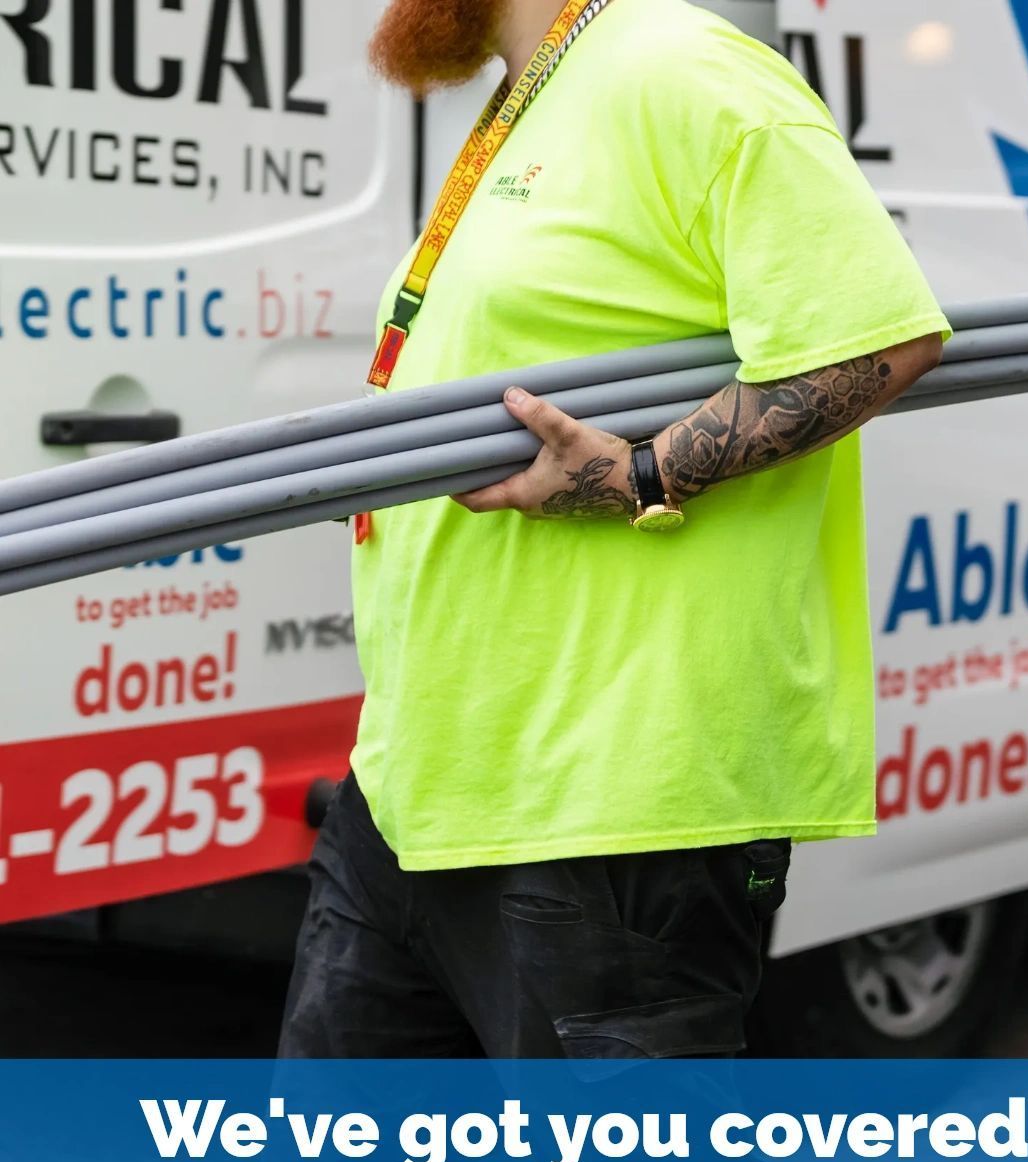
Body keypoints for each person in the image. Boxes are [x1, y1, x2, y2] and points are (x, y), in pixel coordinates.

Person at [278, 0, 949, 1059]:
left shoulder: (684, 68)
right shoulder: (536, 94)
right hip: (421, 790)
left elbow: (878, 339)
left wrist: (640, 473)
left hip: (615, 803)